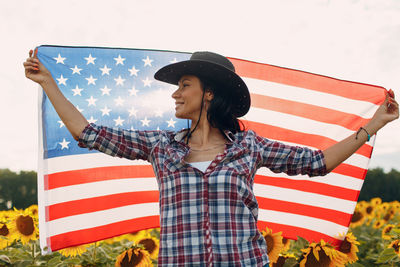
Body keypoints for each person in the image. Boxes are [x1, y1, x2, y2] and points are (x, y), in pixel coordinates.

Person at [24, 49, 398, 266]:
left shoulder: (249, 147)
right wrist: (49, 83)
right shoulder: (160, 146)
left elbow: (319, 162)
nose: (175, 94)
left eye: (184, 85)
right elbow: (87, 133)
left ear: (208, 94)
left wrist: (375, 123)